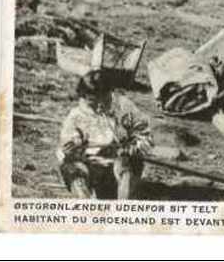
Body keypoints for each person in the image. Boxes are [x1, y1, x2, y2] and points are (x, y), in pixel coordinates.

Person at [56, 70, 153, 199]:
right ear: (84, 97)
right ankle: (87, 208)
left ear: (110, 93)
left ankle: (123, 208)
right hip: (92, 167)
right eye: (93, 102)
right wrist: (72, 147)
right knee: (72, 168)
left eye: (104, 100)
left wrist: (134, 147)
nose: (99, 107)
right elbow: (65, 147)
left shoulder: (125, 107)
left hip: (120, 167)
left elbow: (145, 136)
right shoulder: (76, 116)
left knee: (128, 163)